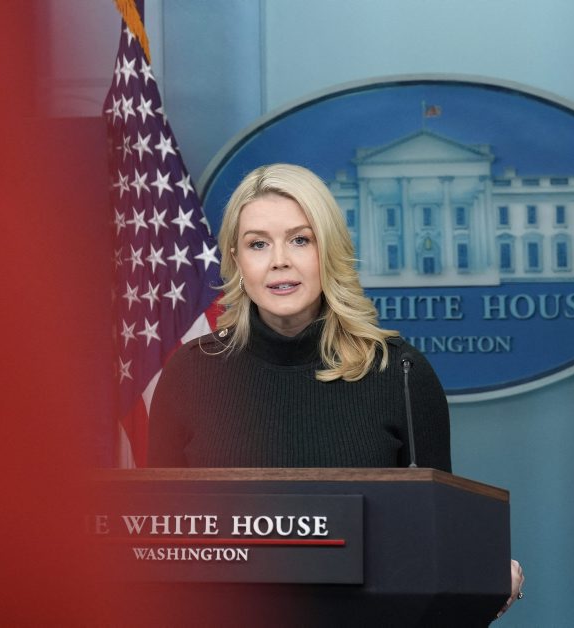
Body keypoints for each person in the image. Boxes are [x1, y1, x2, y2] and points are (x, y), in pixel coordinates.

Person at [146, 163, 523, 613]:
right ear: (237, 258)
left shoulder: (400, 373)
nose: (279, 260)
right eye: (258, 244)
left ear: (329, 251)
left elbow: (437, 547)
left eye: (300, 240)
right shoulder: (189, 374)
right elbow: (157, 547)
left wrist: (485, 583)